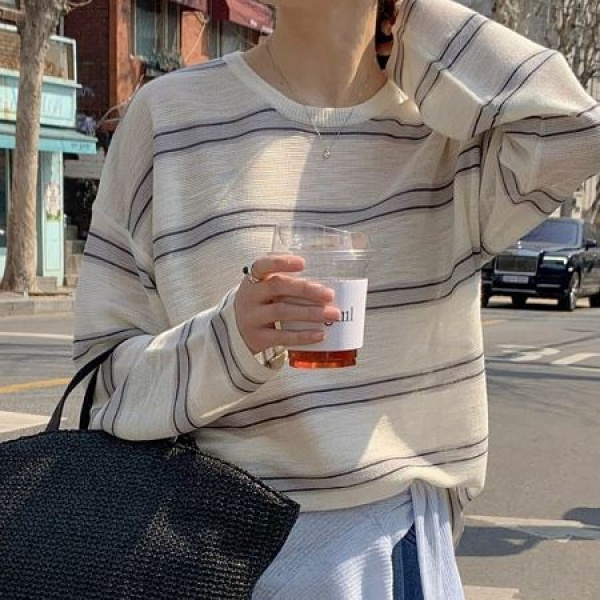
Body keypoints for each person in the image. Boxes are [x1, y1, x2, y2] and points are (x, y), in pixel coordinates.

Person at [73, 0, 600, 597]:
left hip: (391, 549)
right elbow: (100, 384)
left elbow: (578, 130)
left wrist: (412, 23)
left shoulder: (448, 133)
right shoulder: (167, 119)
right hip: (202, 546)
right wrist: (228, 344)